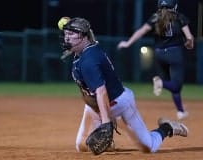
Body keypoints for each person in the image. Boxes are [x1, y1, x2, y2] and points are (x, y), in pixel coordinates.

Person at [60, 17, 188, 154]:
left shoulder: (89, 60)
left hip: (119, 103)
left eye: (71, 34)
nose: (67, 38)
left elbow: (101, 92)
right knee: (82, 146)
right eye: (66, 34)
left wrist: (106, 122)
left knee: (148, 147)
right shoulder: (81, 53)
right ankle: (109, 140)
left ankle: (167, 127)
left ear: (84, 36)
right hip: (96, 105)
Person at [117, 0, 194, 120]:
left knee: (171, 82)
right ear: (174, 6)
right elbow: (189, 38)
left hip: (159, 54)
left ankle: (180, 111)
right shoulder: (179, 17)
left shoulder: (155, 17)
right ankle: (161, 83)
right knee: (176, 85)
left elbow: (141, 31)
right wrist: (189, 43)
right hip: (174, 53)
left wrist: (127, 43)